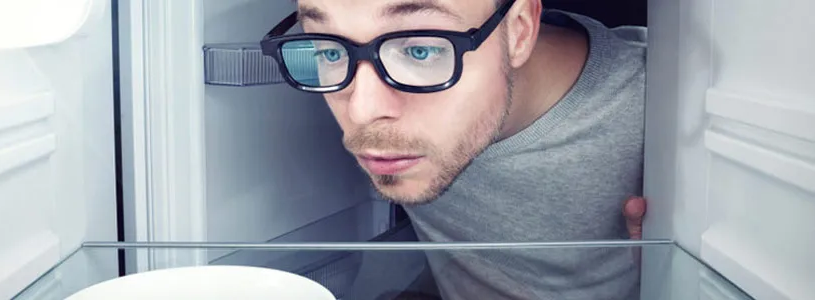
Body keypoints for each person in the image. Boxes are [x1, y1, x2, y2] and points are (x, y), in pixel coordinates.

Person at [261, 0, 648, 299]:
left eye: (420, 51)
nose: (364, 111)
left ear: (519, 30)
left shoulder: (656, 112)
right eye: (328, 51)